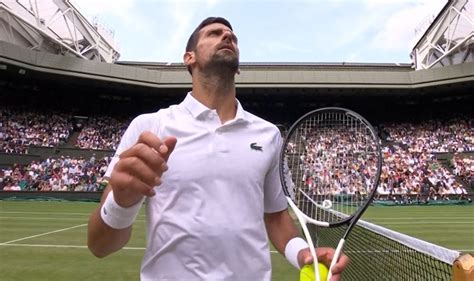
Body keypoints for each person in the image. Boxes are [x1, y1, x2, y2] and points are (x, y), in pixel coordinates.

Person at [87, 17, 348, 280]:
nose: (227, 37)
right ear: (189, 57)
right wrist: (121, 204)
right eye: (214, 33)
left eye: (232, 37)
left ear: (238, 68)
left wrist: (304, 254)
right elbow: (99, 246)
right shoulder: (149, 127)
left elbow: (276, 218)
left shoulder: (268, 135)